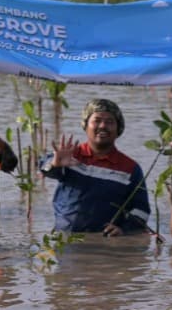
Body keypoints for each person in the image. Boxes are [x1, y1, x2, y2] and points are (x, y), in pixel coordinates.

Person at [39, 99, 151, 236]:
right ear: (85, 125)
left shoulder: (130, 168)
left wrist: (124, 229)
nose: (103, 126)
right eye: (96, 120)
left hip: (106, 243)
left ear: (118, 129)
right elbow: (45, 168)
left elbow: (142, 210)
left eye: (109, 122)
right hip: (65, 240)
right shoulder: (69, 155)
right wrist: (55, 164)